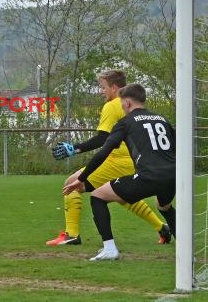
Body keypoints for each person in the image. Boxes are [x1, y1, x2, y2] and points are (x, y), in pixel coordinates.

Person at [47, 70, 170, 246]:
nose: (101, 91)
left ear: (114, 87)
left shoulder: (113, 105)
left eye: (103, 87)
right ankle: (161, 227)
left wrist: (74, 148)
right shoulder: (132, 104)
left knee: (72, 184)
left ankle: (72, 234)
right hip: (133, 161)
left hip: (116, 161)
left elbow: (103, 138)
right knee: (121, 197)